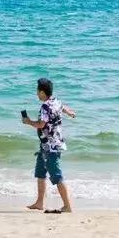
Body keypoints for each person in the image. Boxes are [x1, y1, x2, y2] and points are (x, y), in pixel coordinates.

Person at [22, 77, 76, 213]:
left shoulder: (45, 106)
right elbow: (63, 108)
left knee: (57, 176)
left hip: (51, 147)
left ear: (42, 92)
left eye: (37, 91)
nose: (36, 93)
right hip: (46, 146)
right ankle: (39, 203)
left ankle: (67, 205)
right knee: (40, 173)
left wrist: (28, 122)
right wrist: (69, 112)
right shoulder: (56, 101)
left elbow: (41, 124)